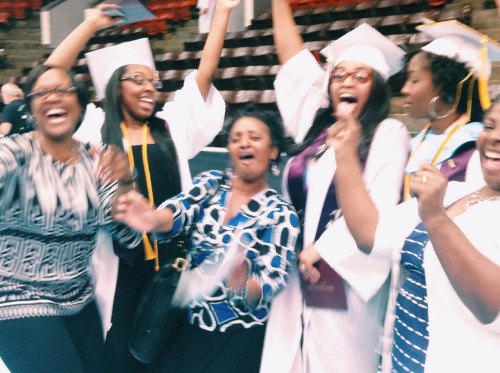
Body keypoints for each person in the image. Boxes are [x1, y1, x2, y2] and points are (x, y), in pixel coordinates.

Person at [45, 2, 236, 371]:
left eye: (153, 81)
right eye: (138, 80)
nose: (150, 88)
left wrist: (224, 12)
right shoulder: (92, 129)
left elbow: (205, 73)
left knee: (167, 349)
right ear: (115, 88)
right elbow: (50, 78)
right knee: (119, 350)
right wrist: (91, 26)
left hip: (171, 261)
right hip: (117, 265)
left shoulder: (171, 126)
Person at [322, 22, 500, 373]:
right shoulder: (460, 193)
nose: (404, 89)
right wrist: (345, 152)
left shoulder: (465, 156)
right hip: (406, 343)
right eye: (492, 125)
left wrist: (434, 217)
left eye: (415, 80)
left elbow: (490, 302)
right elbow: (372, 234)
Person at [260, 1, 411, 372]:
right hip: (293, 276)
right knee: (287, 358)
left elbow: (381, 211)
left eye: (362, 77)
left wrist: (323, 249)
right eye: (340, 74)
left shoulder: (387, 133)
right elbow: (294, 64)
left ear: (376, 89)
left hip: (344, 282)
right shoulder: (315, 130)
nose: (347, 81)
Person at [114, 104, 300, 372]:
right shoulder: (212, 184)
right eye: (236, 138)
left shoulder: (281, 214)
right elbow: (180, 210)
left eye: (254, 137)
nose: (243, 143)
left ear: (273, 151)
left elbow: (270, 282)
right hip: (186, 324)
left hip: (237, 340)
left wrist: (243, 283)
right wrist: (153, 219)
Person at [0, 64, 141, 372]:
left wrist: (126, 182)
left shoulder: (97, 159)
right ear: (31, 108)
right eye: (42, 93)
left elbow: (129, 235)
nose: (53, 98)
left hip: (77, 295)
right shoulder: (13, 154)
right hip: (13, 294)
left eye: (63, 90)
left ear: (79, 104)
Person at [400, 20, 500, 200]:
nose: (404, 89)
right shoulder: (416, 142)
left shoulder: (476, 146)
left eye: (414, 80)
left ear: (445, 87)